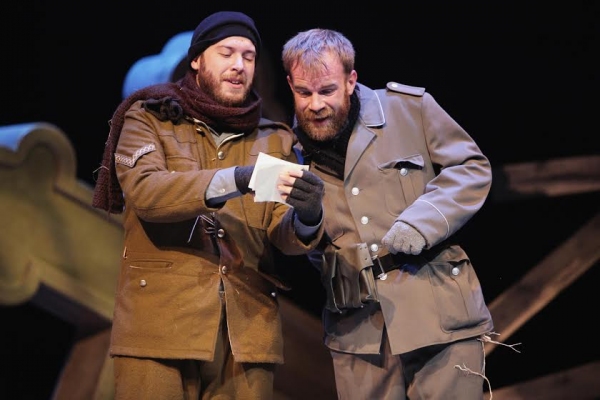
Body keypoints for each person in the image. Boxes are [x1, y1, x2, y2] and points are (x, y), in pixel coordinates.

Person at [92, 11, 325, 400]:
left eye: (249, 57)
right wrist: (236, 179)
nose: (239, 65)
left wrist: (308, 216)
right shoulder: (148, 118)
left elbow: (278, 230)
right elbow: (148, 193)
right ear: (197, 59)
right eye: (227, 53)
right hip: (161, 327)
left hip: (245, 334)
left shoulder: (273, 139)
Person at [280, 28, 495, 399]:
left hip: (438, 311)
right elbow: (280, 235)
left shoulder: (409, 109)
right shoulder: (285, 150)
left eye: (327, 90)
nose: (315, 104)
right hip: (358, 331)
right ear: (290, 85)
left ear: (350, 81)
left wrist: (421, 221)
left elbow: (471, 167)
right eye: (304, 92)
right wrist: (307, 221)